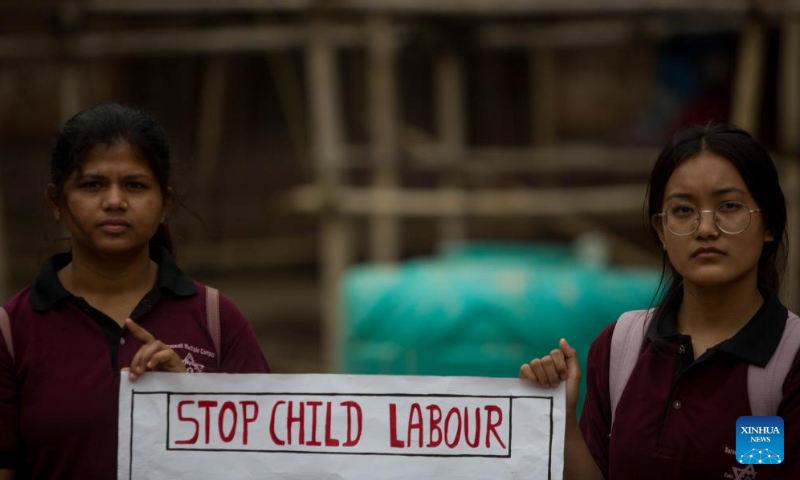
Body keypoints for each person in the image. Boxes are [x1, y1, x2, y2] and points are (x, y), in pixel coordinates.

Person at [0, 103, 270, 479]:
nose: (114, 201)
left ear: (164, 204)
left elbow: (267, 463)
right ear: (55, 202)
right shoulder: (12, 332)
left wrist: (196, 403)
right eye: (92, 185)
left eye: (135, 185)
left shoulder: (217, 320)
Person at [520, 124, 799, 479]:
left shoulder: (789, 363)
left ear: (770, 223)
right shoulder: (618, 347)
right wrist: (561, 419)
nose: (705, 229)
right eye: (683, 210)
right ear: (661, 231)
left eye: (729, 206)